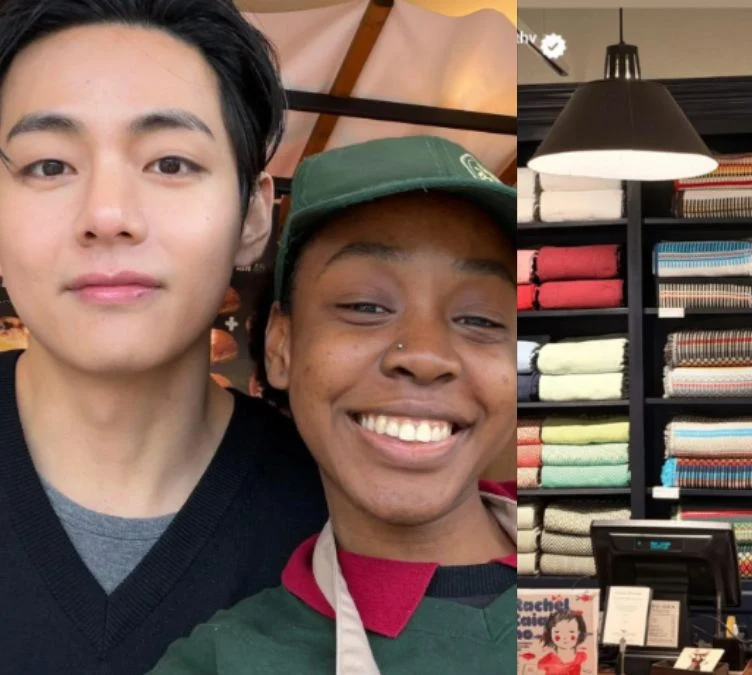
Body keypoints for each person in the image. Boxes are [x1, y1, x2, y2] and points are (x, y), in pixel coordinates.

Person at [0, 1, 328, 672]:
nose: (108, 215)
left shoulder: (332, 514)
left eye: (171, 163)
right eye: (49, 165)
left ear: (254, 214)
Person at [151, 136, 518, 673]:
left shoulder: (613, 577)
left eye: (481, 319)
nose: (424, 355)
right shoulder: (222, 660)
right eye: (365, 305)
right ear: (281, 345)